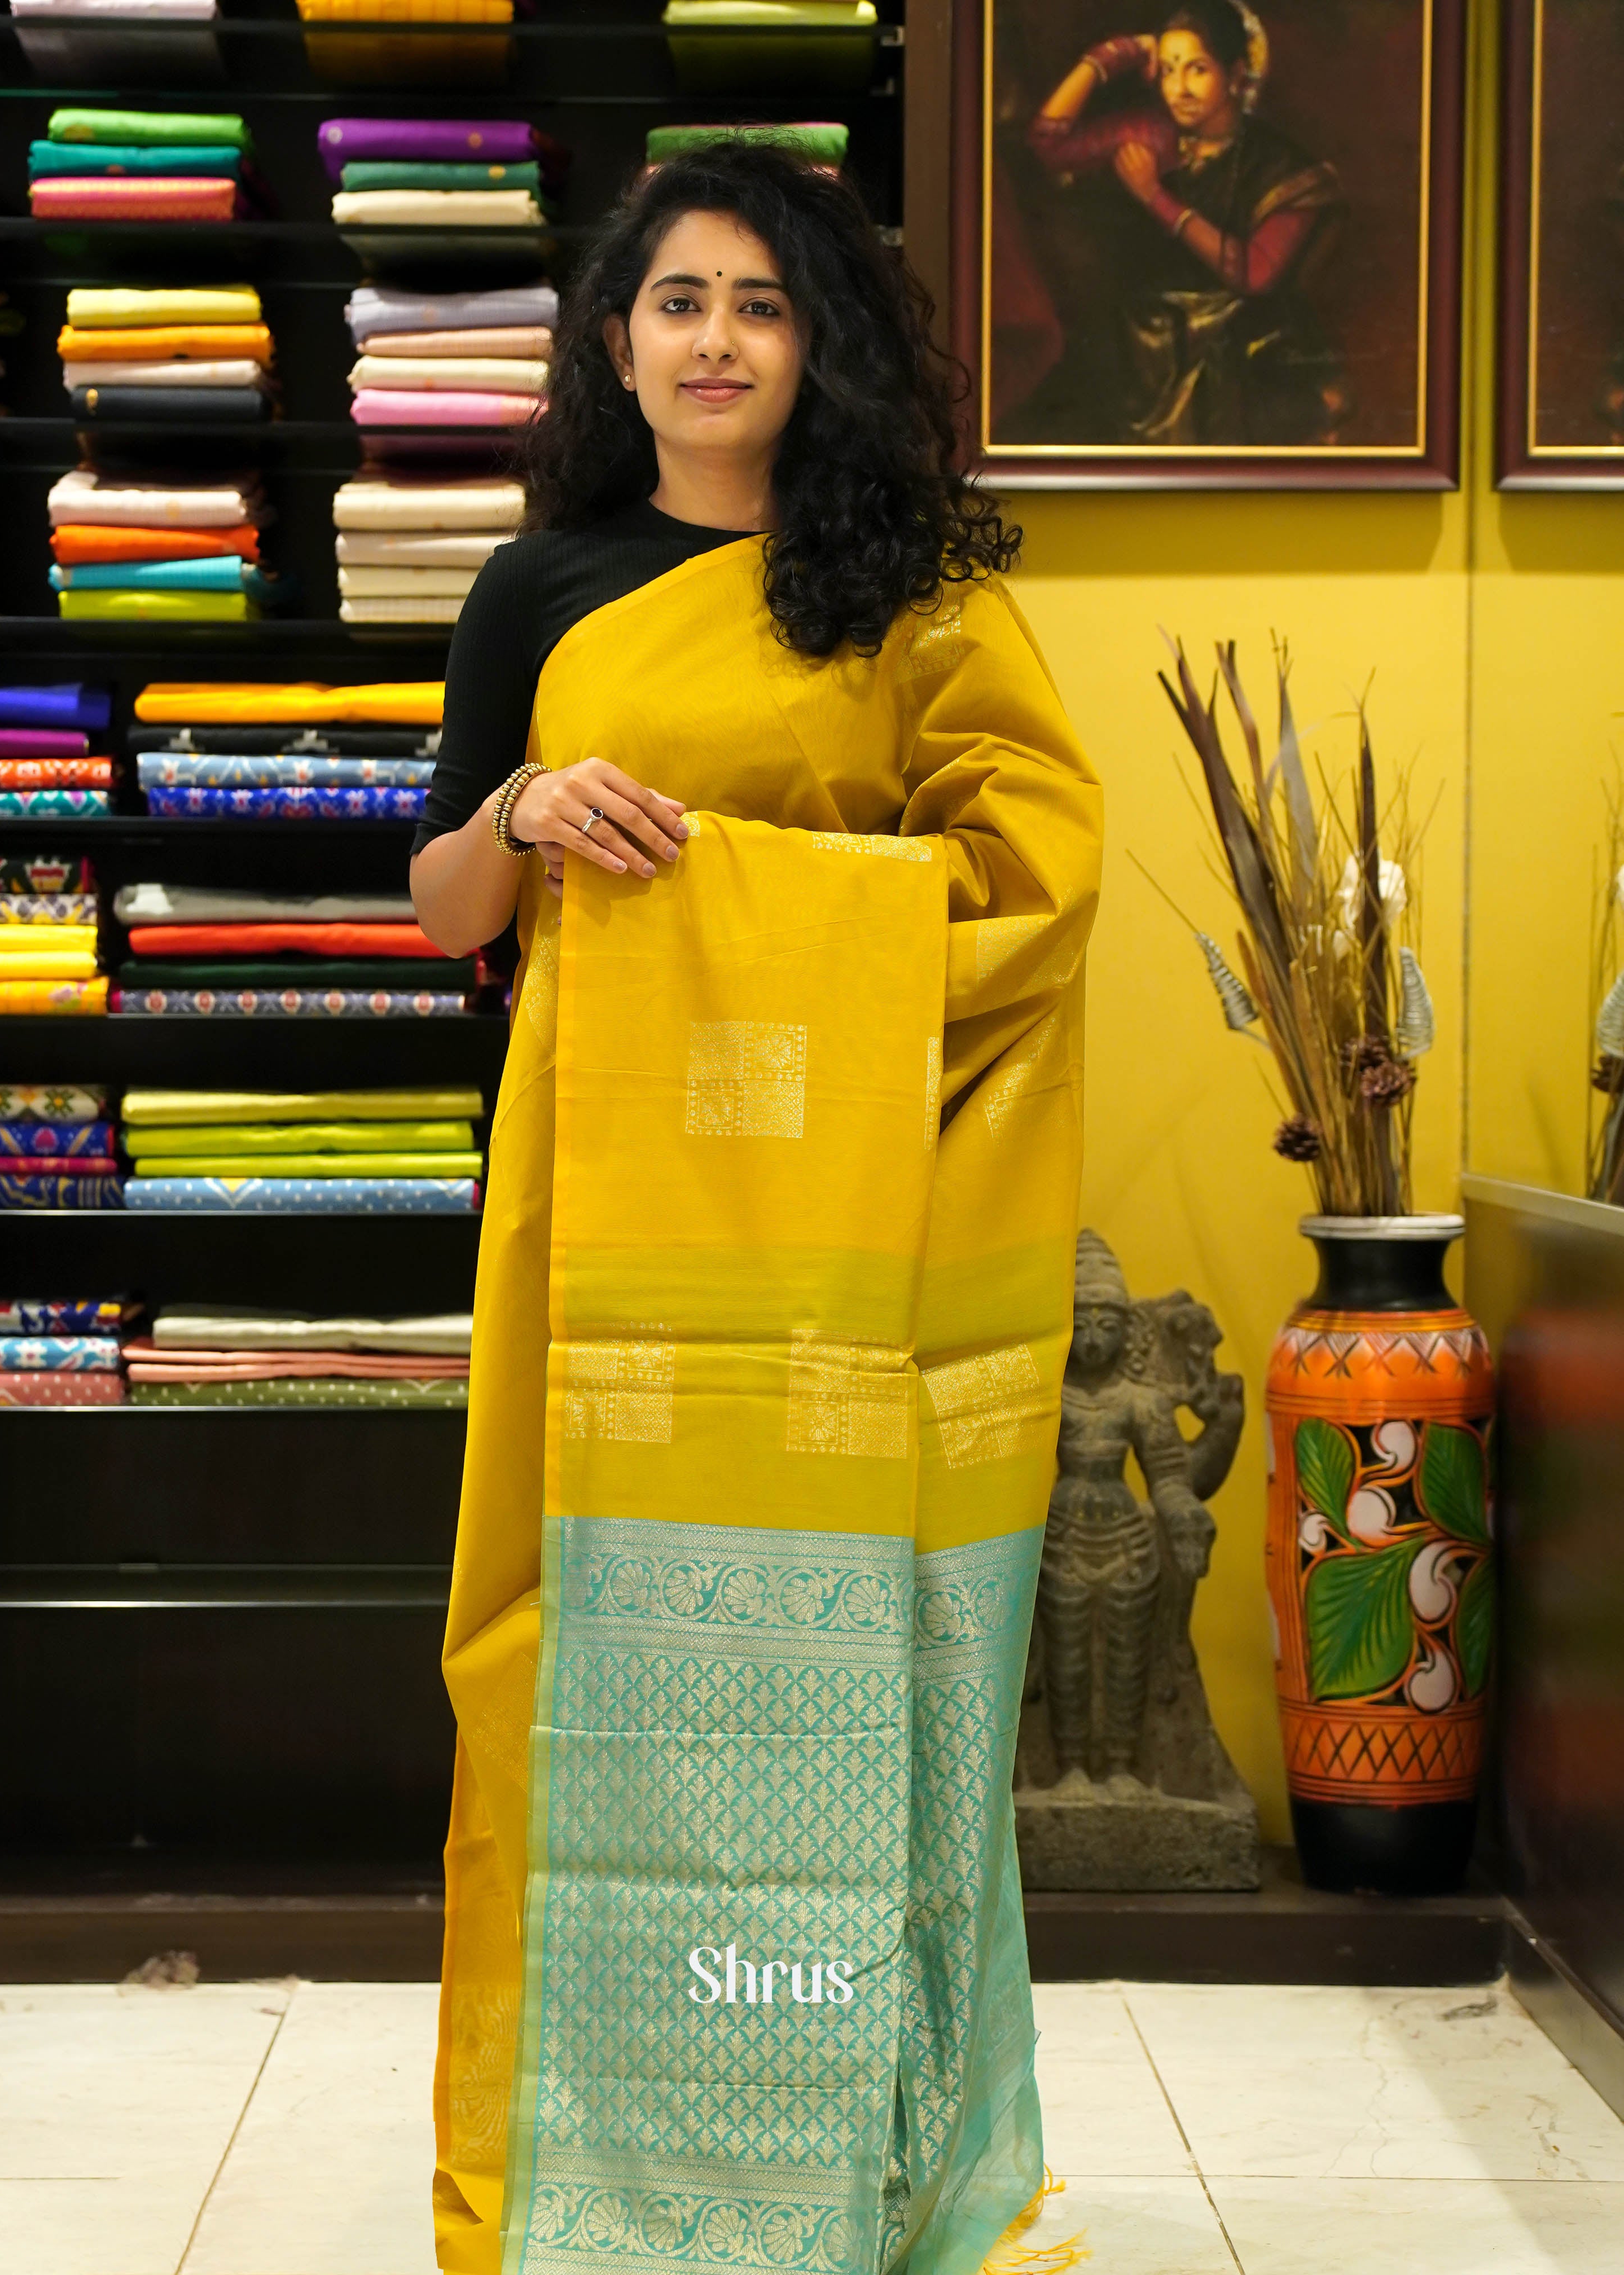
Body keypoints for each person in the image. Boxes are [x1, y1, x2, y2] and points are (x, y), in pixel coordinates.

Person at [410, 139, 1102, 2275]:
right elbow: (441, 908)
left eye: (762, 303)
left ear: (821, 346)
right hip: (596, 1230)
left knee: (862, 1686)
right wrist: (523, 812)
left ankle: (867, 2170)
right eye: (678, 298)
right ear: (611, 339)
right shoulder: (541, 589)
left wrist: (771, 903)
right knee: (570, 1670)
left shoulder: (910, 592)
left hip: (838, 1266)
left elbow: (1031, 884)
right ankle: (587, 2179)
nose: (715, 339)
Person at [1011, 0, 1345, 446]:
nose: (1179, 89)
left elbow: (1253, 273)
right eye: (1168, 70)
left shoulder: (1284, 168)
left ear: (1235, 74)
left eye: (1197, 69)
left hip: (1238, 354)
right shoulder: (1153, 134)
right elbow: (1047, 141)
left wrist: (1155, 197)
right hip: (1142, 351)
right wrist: (1115, 54)